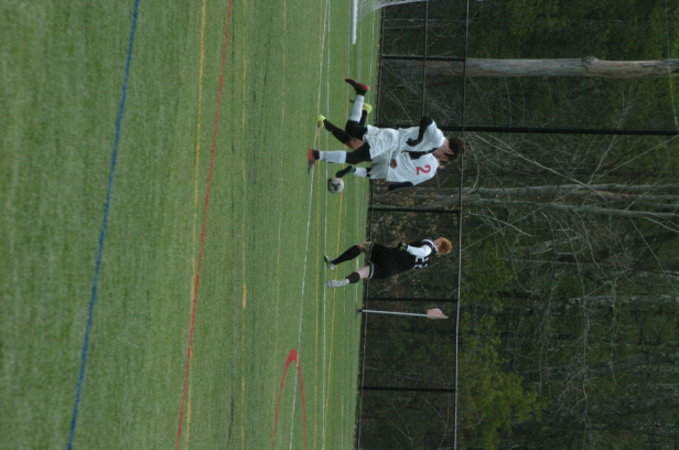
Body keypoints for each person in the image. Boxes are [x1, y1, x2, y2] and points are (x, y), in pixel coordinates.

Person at [307, 79, 465, 186]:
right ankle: (315, 154)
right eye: (444, 157)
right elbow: (426, 119)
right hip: (389, 140)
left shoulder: (431, 148)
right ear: (450, 151)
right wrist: (418, 139)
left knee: (351, 130)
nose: (440, 158)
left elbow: (403, 145)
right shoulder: (438, 139)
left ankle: (361, 92)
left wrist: (395, 157)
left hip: (391, 140)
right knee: (354, 156)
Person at [324, 237, 453, 288]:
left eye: (438, 239)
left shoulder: (430, 245)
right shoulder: (428, 263)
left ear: (439, 243)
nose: (435, 240)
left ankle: (333, 263)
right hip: (391, 271)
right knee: (361, 273)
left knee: (362, 246)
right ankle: (345, 281)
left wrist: (407, 248)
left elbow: (423, 251)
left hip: (390, 256)